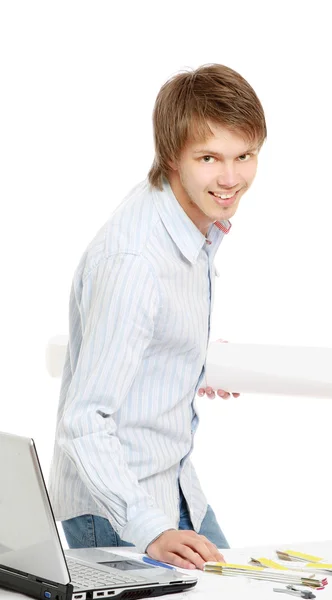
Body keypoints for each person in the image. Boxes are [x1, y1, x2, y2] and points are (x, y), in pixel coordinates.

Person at [49, 63, 267, 570]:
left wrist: (193, 359)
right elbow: (84, 420)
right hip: (118, 509)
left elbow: (147, 335)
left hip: (173, 484)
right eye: (210, 157)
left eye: (244, 156)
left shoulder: (191, 223)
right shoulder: (135, 261)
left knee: (245, 583)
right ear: (172, 156)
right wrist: (149, 529)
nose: (231, 178)